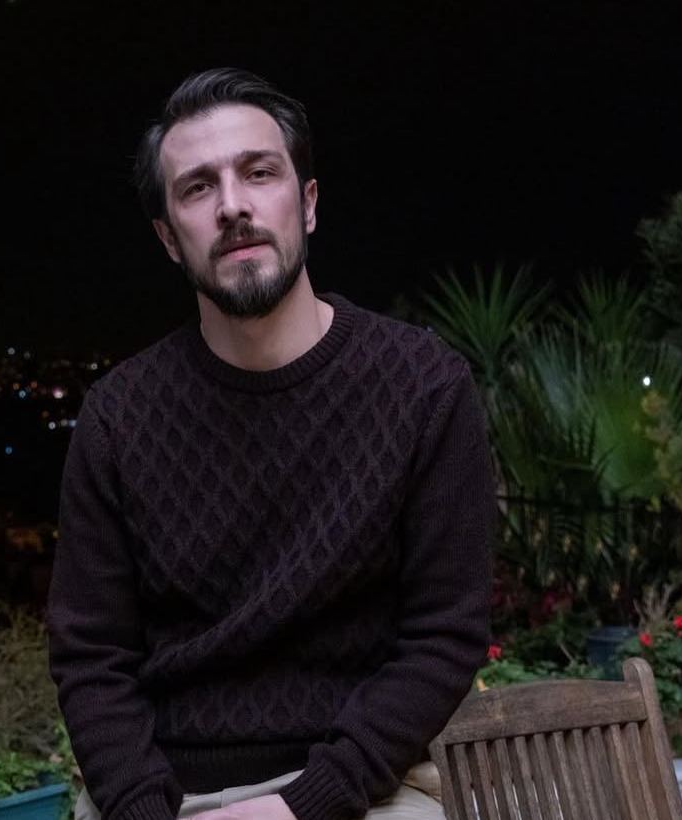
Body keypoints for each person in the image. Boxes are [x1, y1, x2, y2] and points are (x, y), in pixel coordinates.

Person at [47, 67, 494, 820]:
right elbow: (91, 658)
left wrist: (304, 804)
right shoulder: (118, 417)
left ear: (308, 203)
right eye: (197, 188)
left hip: (365, 790)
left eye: (259, 173)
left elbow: (445, 636)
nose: (233, 206)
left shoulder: (423, 387)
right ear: (168, 238)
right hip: (166, 795)